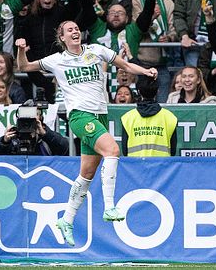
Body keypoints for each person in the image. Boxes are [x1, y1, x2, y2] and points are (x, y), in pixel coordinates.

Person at [15, 21, 158, 246]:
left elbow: (126, 66)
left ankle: (67, 220)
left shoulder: (96, 51)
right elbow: (24, 67)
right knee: (113, 150)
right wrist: (21, 50)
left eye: (76, 29)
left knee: (87, 174)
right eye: (69, 30)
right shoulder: (56, 60)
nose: (74, 31)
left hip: (100, 115)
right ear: (62, 37)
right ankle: (109, 206)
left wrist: (146, 70)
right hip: (81, 116)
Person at [131, 0, 176, 103]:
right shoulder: (134, 0)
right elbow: (138, 26)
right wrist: (151, 17)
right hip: (141, 61)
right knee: (141, 103)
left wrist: (169, 37)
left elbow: (173, 28)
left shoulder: (167, 2)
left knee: (162, 104)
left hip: (162, 62)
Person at [121, 75, 178, 157]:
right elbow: (173, 150)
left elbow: (125, 150)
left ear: (139, 91)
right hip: (162, 167)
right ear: (158, 91)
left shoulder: (127, 118)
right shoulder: (170, 117)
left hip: (135, 167)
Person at [0, 103, 70, 155]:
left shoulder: (45, 135)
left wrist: (45, 134)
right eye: (26, 113)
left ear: (41, 118)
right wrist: (4, 141)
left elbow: (64, 149)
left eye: (34, 114)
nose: (30, 116)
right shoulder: (14, 135)